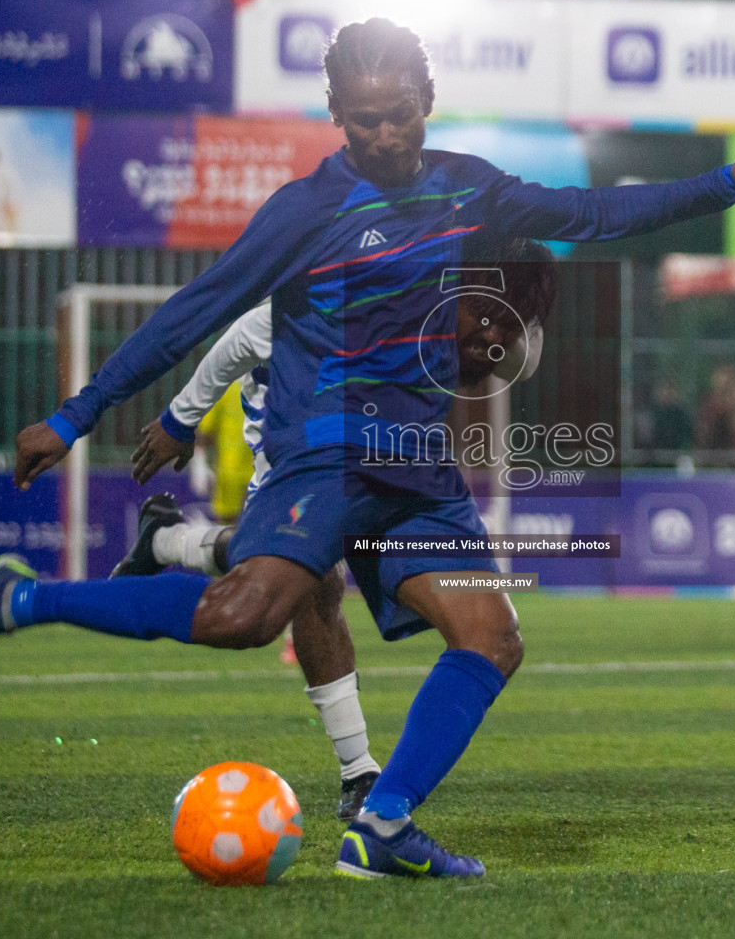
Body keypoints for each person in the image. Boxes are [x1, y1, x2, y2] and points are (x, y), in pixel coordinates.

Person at [0, 17, 735, 879]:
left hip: (417, 468)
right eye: (362, 118)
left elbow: (596, 213)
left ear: (426, 101)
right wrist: (77, 414)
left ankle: (383, 824)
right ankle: (13, 599)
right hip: (324, 456)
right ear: (336, 117)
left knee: (492, 639)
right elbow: (195, 312)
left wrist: (732, 184)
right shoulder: (305, 210)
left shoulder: (468, 185)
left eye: (399, 112)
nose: (383, 134)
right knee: (240, 619)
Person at [111, 241, 557, 820]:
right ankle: (358, 771)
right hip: (292, 408)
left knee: (300, 566)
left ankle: (165, 541)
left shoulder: (471, 305)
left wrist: (508, 330)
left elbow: (514, 354)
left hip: (384, 428)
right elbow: (248, 333)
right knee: (309, 574)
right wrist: (181, 417)